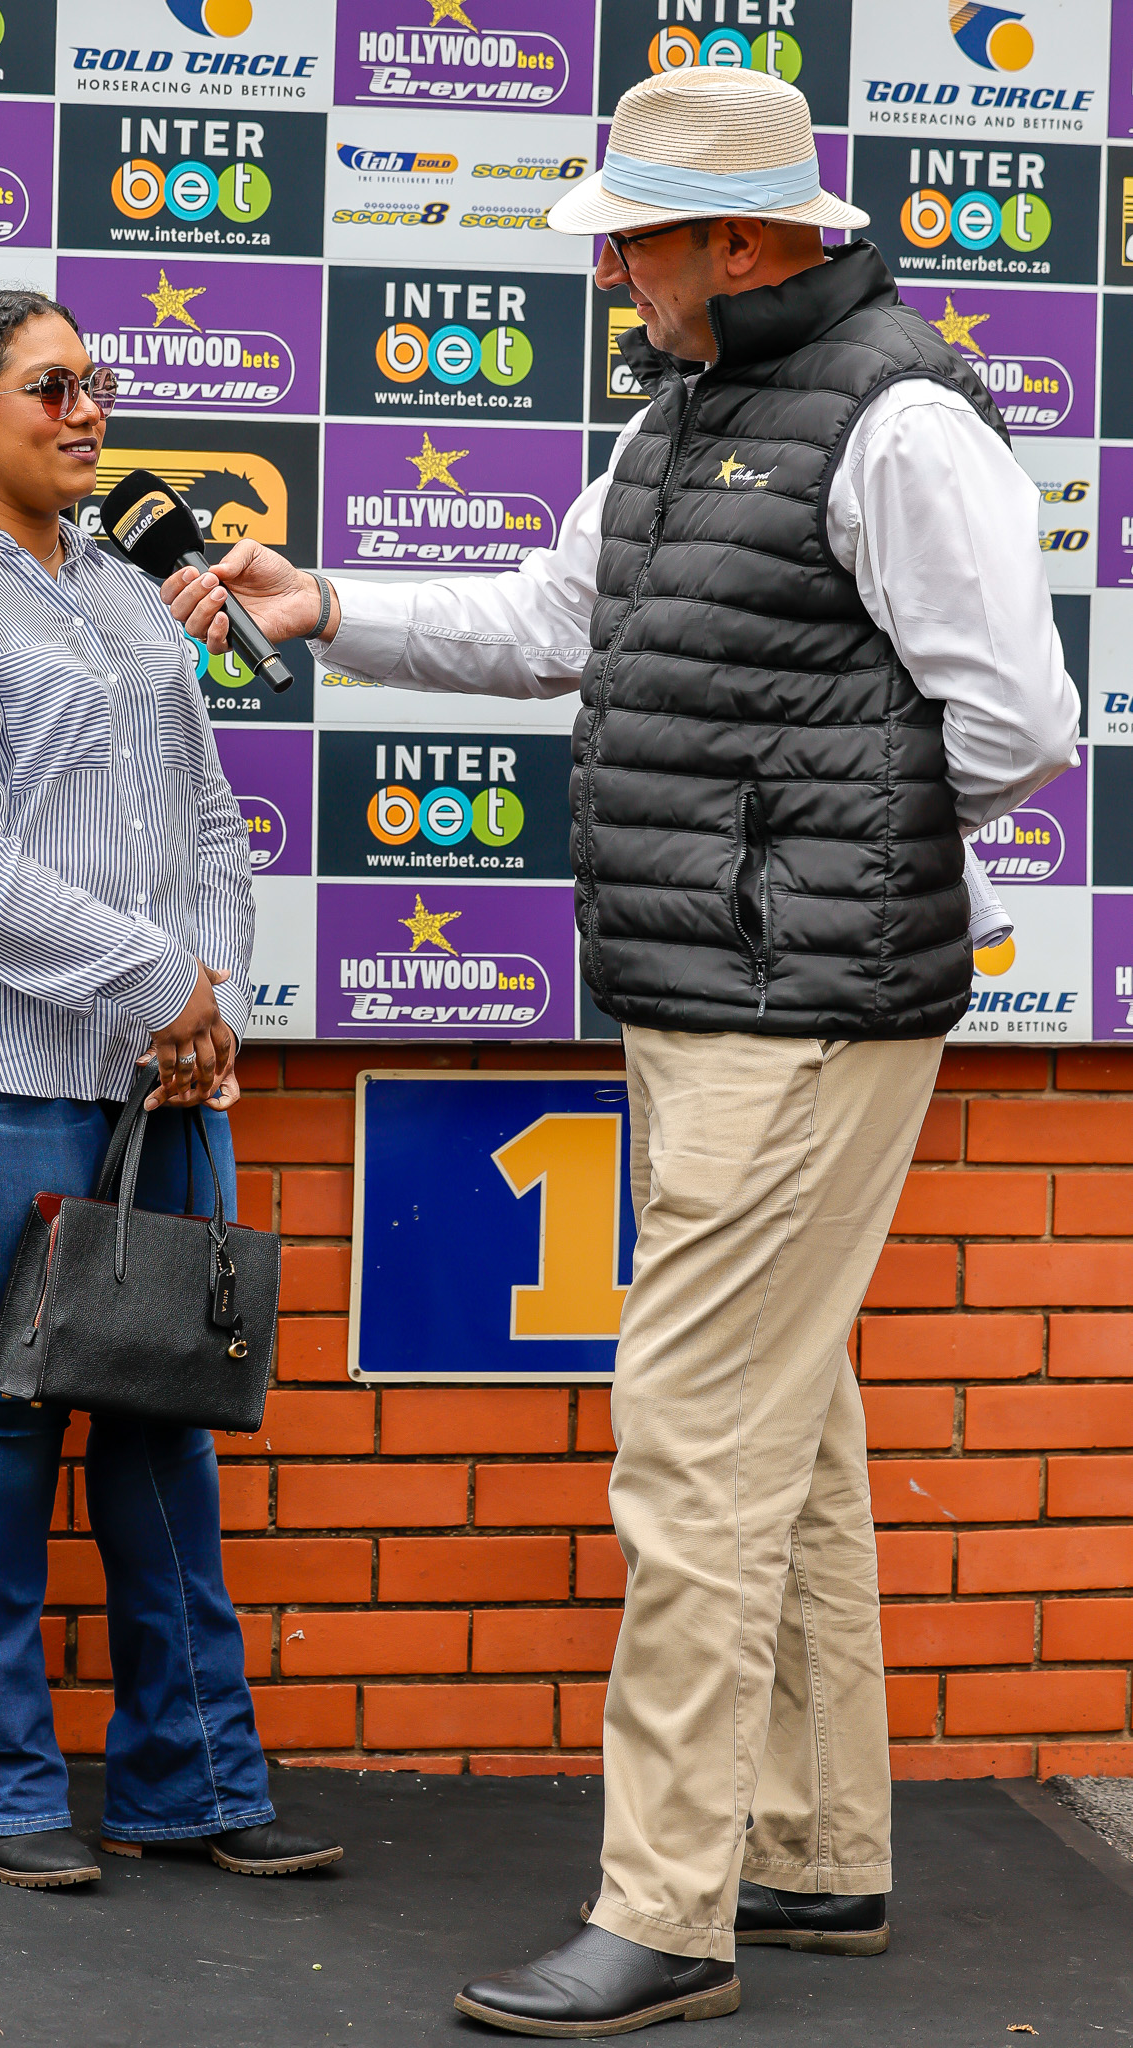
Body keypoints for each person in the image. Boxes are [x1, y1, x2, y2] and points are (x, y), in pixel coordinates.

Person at [163, 67, 1078, 2034]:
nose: (616, 280)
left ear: (741, 248)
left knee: (689, 1446)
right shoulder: (685, 416)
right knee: (789, 1427)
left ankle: (667, 1906)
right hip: (715, 1001)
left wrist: (813, 879)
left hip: (799, 1013)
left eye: (637, 244)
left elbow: (1017, 717)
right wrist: (321, 603)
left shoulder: (902, 418)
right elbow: (541, 619)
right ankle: (817, 1849)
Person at [0, 289, 340, 1890]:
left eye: (96, 386)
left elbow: (211, 829)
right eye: (50, 388)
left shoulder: (125, 593)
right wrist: (150, 983)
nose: (86, 411)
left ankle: (191, 1784)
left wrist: (209, 997)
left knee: (160, 1413)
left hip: (154, 1071)